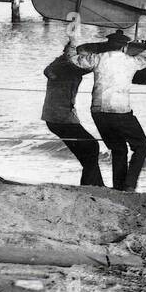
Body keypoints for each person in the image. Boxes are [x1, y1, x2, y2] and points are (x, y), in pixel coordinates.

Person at [65, 15, 146, 191]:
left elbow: (73, 60)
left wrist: (72, 42)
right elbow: (143, 58)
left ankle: (120, 187)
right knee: (141, 148)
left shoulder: (97, 59)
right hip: (121, 112)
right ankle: (129, 185)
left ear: (108, 45)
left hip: (98, 112)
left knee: (118, 149)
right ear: (125, 47)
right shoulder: (130, 62)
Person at [41, 42, 105, 187]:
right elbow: (85, 67)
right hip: (61, 117)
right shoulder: (68, 66)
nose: (84, 59)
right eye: (82, 56)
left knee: (87, 151)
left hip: (56, 116)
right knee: (92, 146)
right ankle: (90, 185)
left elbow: (49, 70)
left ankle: (96, 184)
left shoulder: (61, 63)